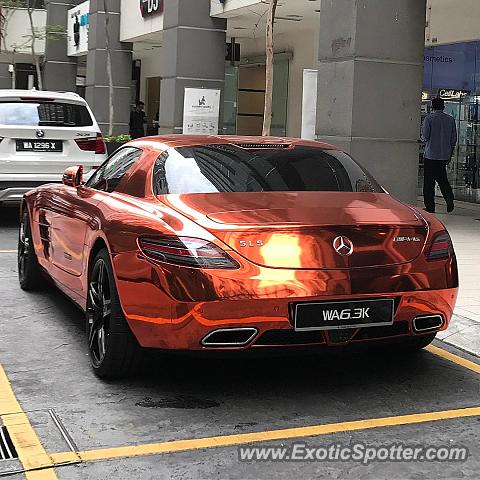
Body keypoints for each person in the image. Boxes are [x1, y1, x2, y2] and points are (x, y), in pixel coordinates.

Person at [421, 97, 457, 213]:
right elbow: (453, 139)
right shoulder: (450, 120)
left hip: (431, 155)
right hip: (444, 155)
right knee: (442, 178)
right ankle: (448, 196)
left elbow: (425, 137)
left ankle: (430, 207)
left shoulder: (429, 119)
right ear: (443, 107)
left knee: (429, 182)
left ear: (432, 106)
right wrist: (450, 154)